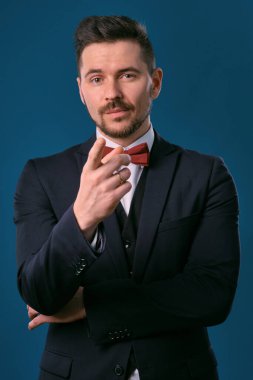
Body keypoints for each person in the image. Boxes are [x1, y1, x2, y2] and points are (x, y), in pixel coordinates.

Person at [14, 15, 240, 380]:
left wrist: (91, 303)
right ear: (81, 90)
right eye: (97, 78)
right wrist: (82, 220)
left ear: (155, 83)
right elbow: (40, 297)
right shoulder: (40, 176)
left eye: (128, 75)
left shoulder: (207, 174)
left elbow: (213, 295)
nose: (112, 94)